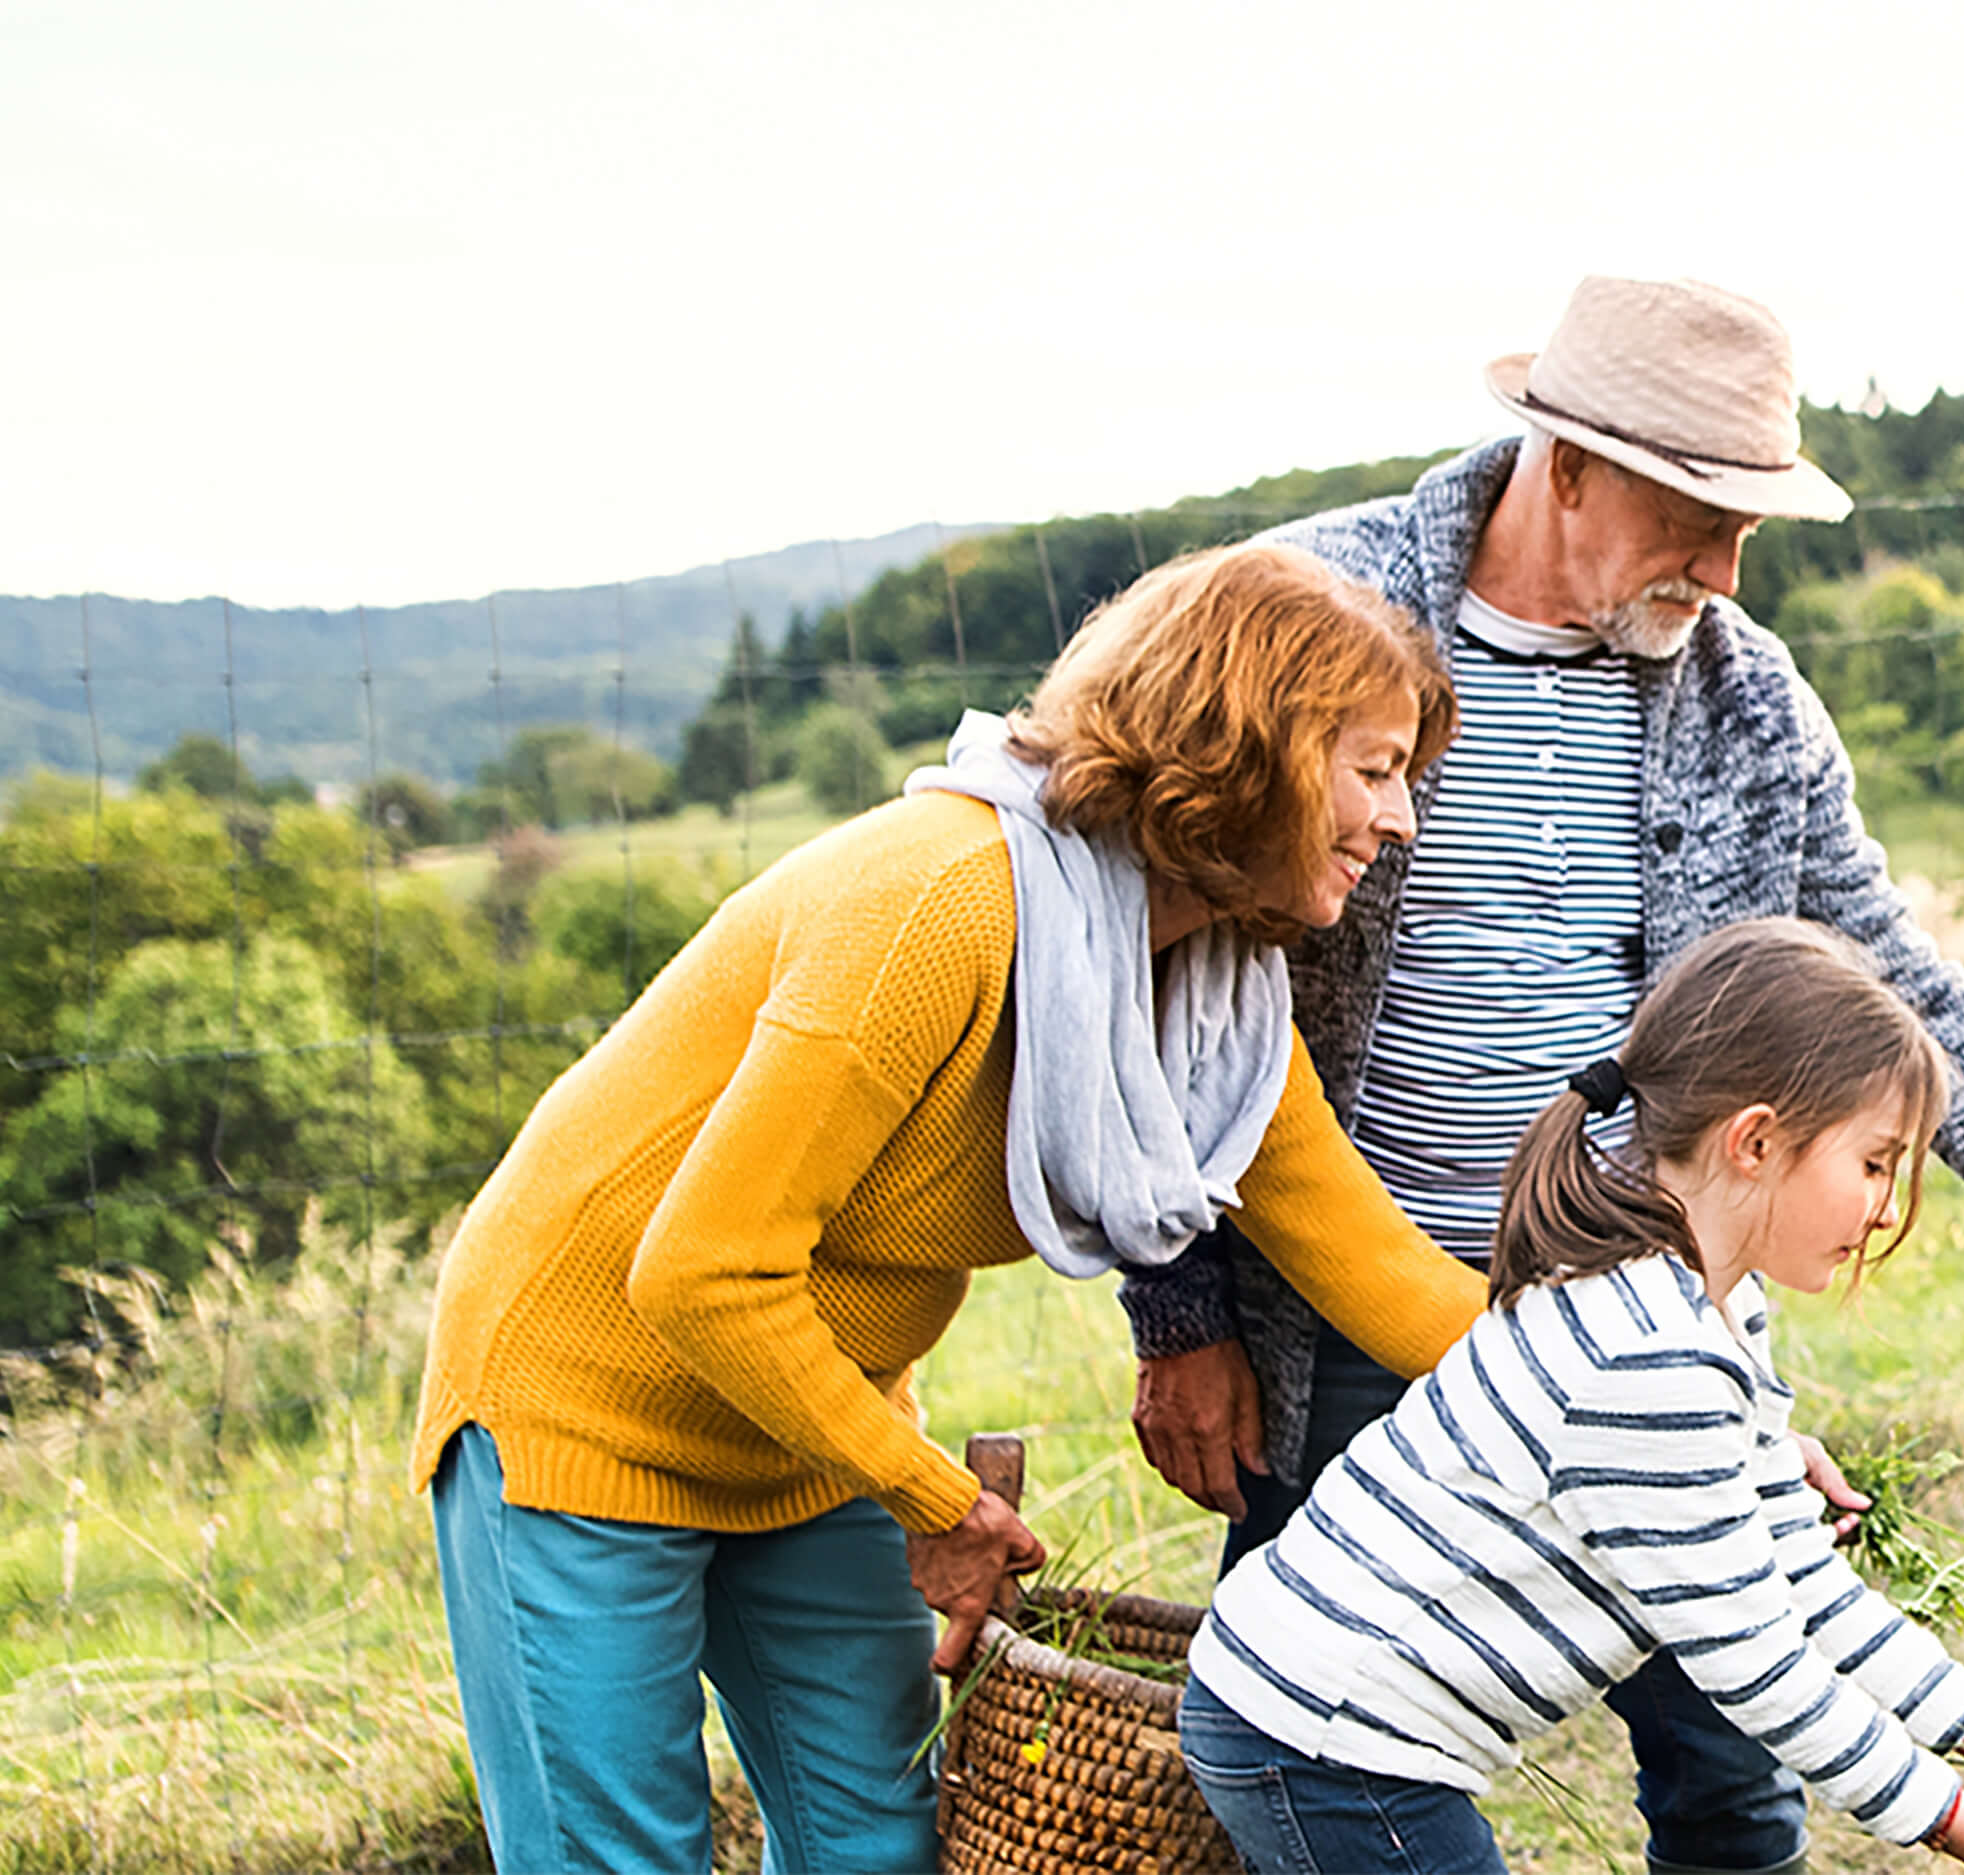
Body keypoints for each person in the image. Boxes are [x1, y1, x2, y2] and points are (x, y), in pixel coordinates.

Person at [1120, 274, 1964, 1871]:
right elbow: (1159, 976)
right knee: (1332, 1746)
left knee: (1735, 1774)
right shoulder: (1320, 614)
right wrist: (1185, 1310)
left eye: (1749, 523)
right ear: (1564, 464)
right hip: (1343, 1309)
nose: (1728, 565)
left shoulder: (1747, 693)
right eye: (1700, 513)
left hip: (1633, 1285)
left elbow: (1902, 996)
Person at [414, 543, 1490, 1875]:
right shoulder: (935, 904)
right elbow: (696, 1270)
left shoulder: (1207, 1002)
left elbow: (1386, 1272)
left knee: (877, 1837)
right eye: (1375, 769)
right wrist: (930, 1494)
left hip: (808, 1419)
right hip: (582, 1404)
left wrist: (1697, 1412)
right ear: (1247, 741)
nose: (1401, 820)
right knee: (619, 1853)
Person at [1182, 918, 1964, 1875]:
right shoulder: (1649, 1358)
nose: (1887, 1205)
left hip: (1319, 1716)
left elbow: (1798, 1574)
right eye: (1875, 1161)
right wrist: (1960, 1822)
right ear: (1755, 1140)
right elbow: (1754, 1659)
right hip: (1321, 1736)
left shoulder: (1711, 1301)